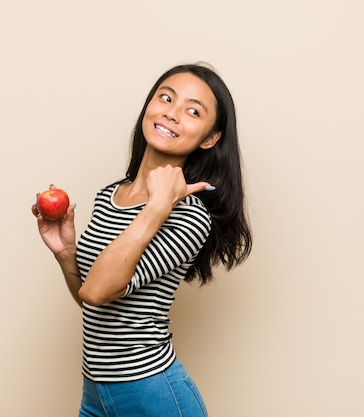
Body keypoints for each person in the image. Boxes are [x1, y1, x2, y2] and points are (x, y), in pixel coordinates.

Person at [31, 63, 252, 417]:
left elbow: (96, 290)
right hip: (96, 391)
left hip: (151, 393)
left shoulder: (190, 215)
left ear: (210, 138)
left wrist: (159, 205)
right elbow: (95, 301)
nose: (172, 113)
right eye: (166, 97)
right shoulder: (110, 195)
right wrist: (66, 254)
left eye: (193, 111)